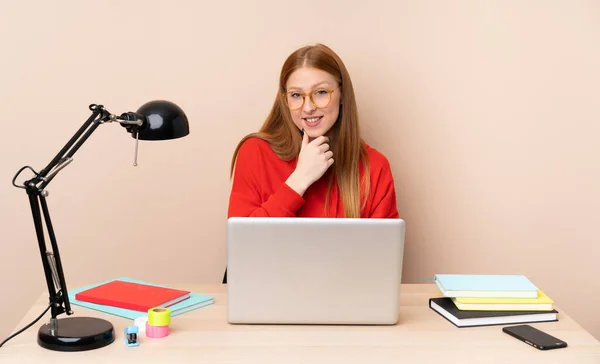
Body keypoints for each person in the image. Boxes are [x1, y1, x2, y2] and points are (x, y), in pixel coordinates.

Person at [223, 43, 399, 282]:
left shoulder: (375, 167)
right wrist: (299, 180)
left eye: (321, 92)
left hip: (344, 299)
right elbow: (242, 247)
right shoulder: (255, 152)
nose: (307, 107)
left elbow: (381, 265)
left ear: (342, 94)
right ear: (285, 100)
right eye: (296, 95)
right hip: (267, 295)